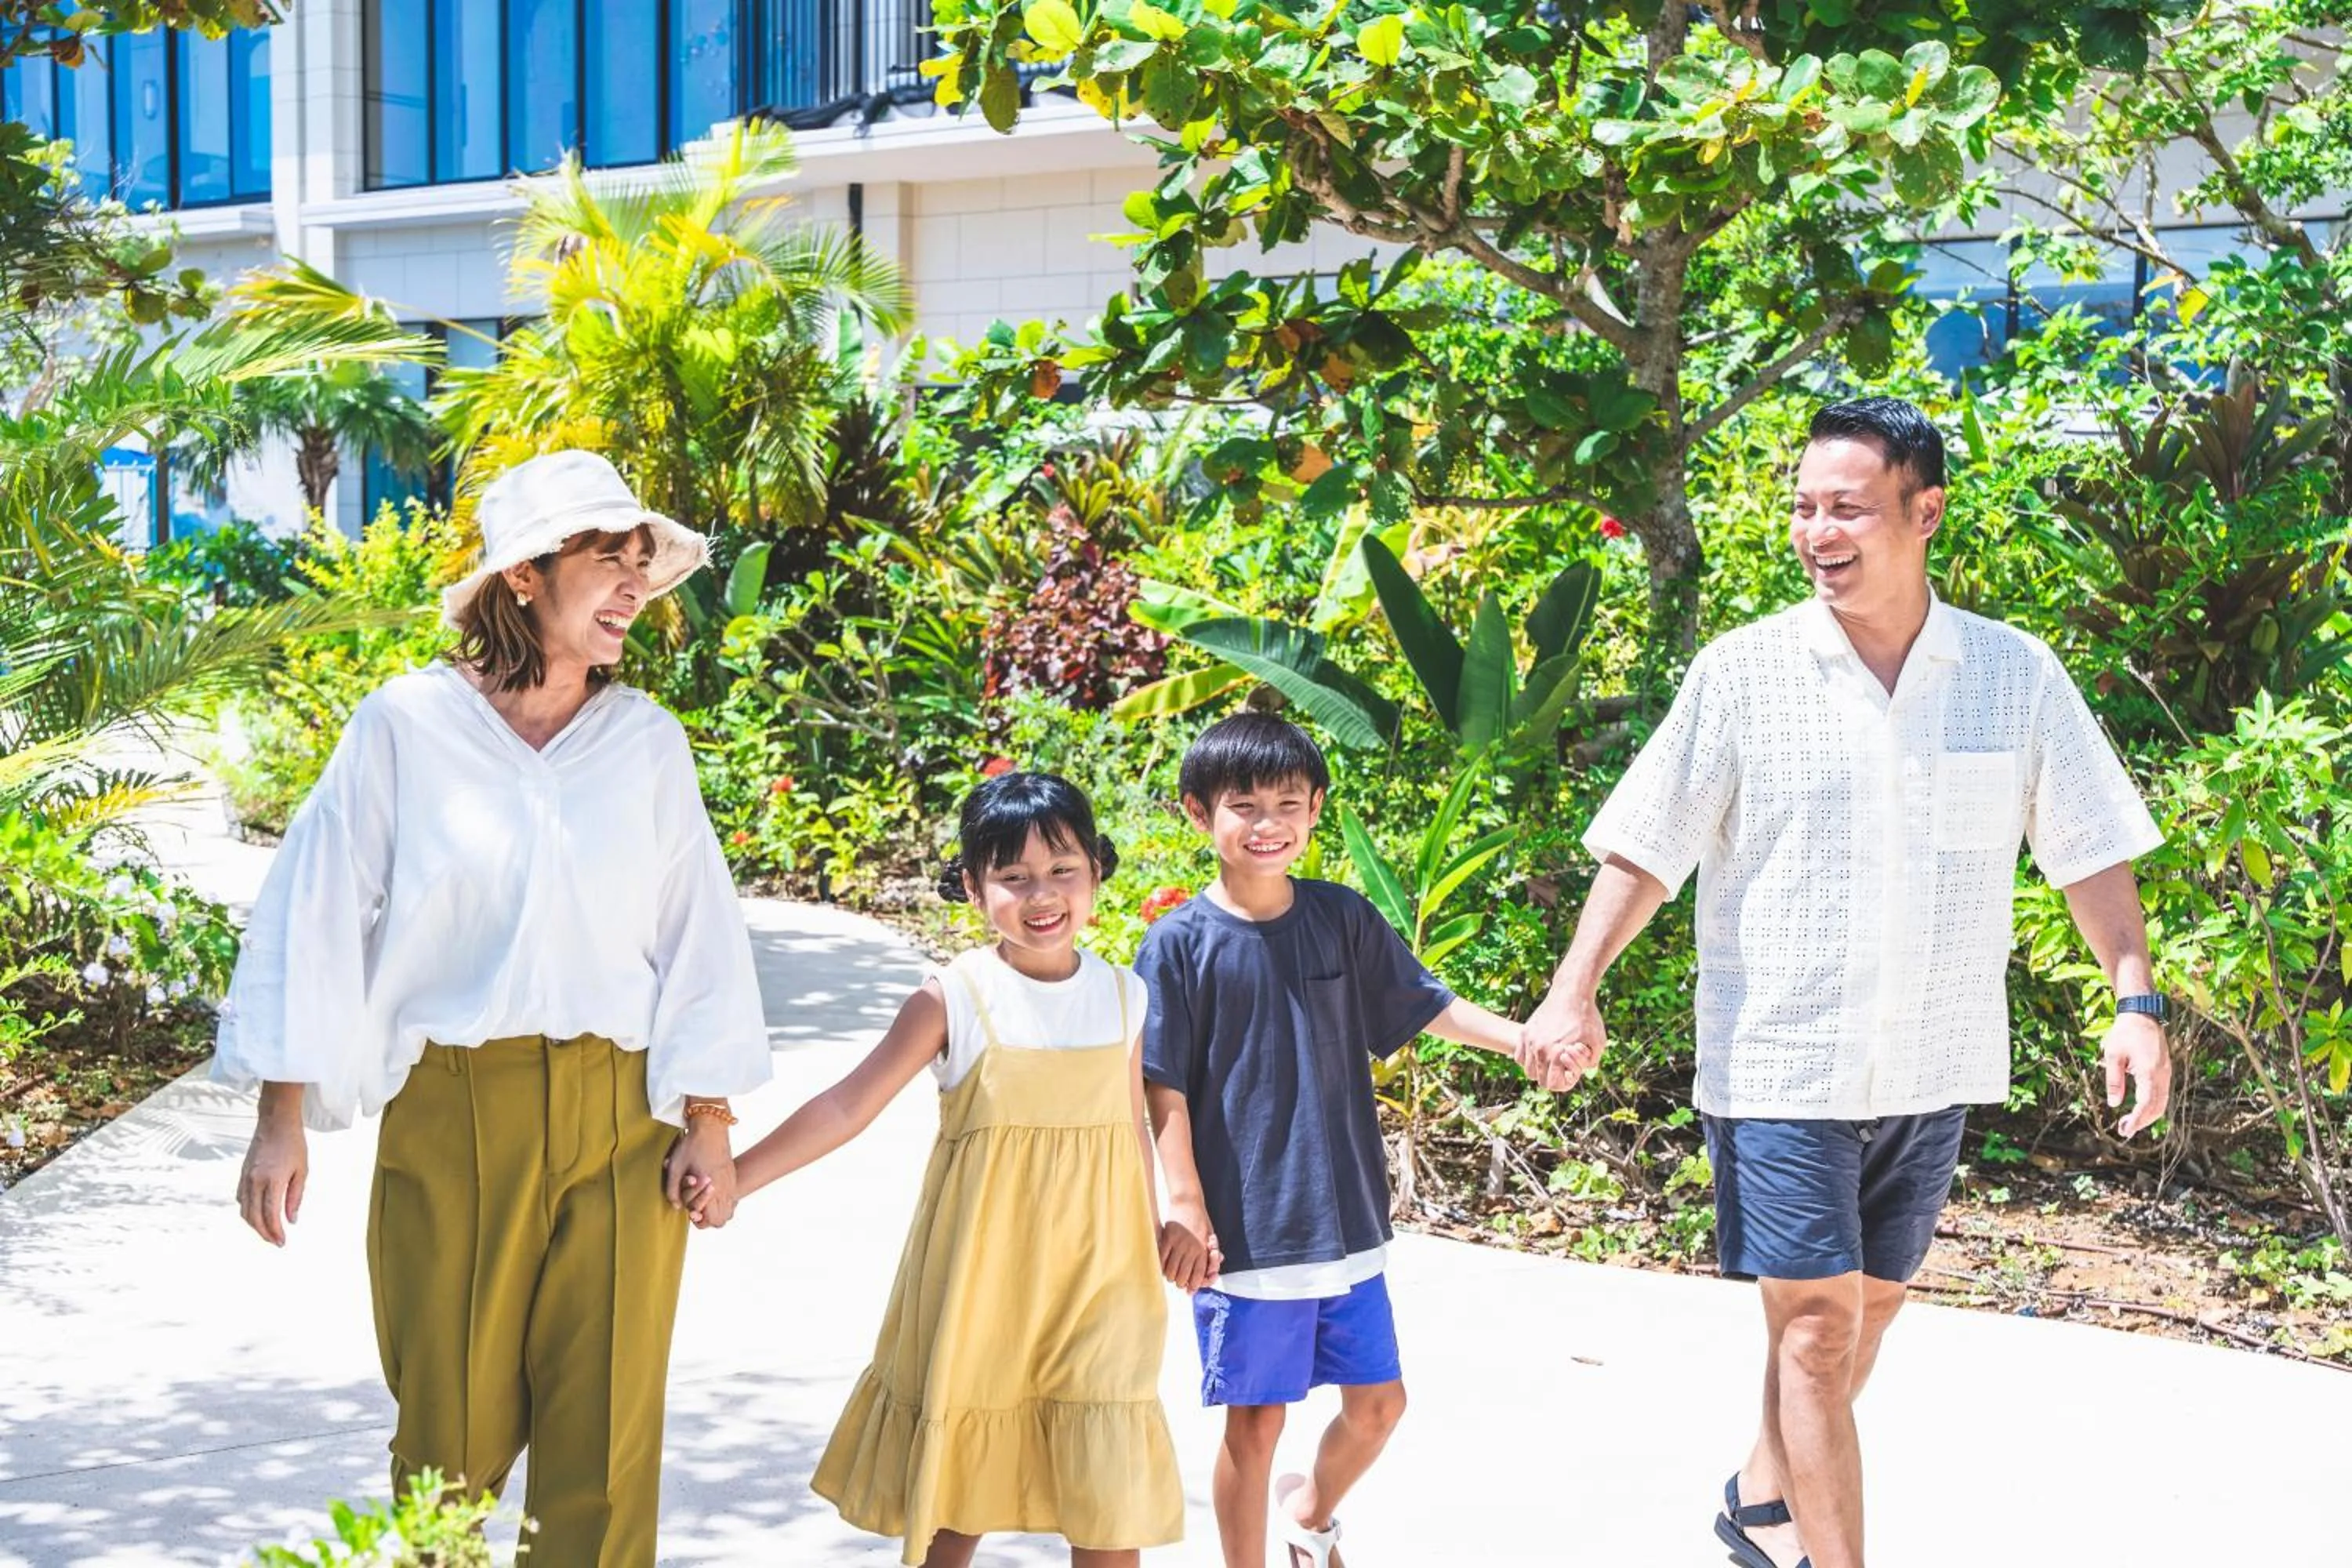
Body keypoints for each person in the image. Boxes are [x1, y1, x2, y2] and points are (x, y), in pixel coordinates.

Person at [1523, 397, 2172, 1568]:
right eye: (1804, 508)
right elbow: (1647, 846)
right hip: (1782, 1059)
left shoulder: (2013, 675)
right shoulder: (1745, 672)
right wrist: (1576, 987)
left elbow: (2088, 847)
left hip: (1934, 1056)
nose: (1818, 533)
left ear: (1925, 512)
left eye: (1849, 510)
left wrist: (2136, 1001)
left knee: (1861, 1318)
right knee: (1817, 1332)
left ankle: (1758, 1493)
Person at [217, 448, 774, 1567]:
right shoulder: (406, 726)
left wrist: (709, 1118)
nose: (635, 585)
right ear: (525, 573)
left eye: (642, 563)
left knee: (604, 1446)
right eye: (608, 559)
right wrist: (281, 1115)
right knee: (449, 1438)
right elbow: (317, 908)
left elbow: (696, 934)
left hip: (624, 1120)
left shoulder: (646, 744)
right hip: (455, 1110)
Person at [1138, 711, 1566, 1568]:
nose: (1268, 824)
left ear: (1316, 809)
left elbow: (1427, 1003)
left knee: (1379, 1405)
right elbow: (1162, 1082)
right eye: (1244, 805)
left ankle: (1310, 1515)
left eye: (1288, 804)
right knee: (1256, 1425)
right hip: (1247, 1231)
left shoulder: (1340, 915)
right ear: (1198, 812)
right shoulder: (1177, 944)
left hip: (1346, 1219)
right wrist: (1184, 1201)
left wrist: (1522, 1039)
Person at [727, 771, 1182, 1568]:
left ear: (1096, 870)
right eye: (1014, 877)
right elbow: (848, 1104)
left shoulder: (1124, 995)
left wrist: (1158, 1228)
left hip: (1104, 1285)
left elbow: (1129, 1127)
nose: (1042, 894)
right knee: (961, 1495)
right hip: (984, 1283)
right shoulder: (957, 996)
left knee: (1108, 1498)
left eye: (1062, 869)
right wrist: (737, 1175)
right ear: (973, 887)